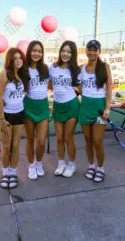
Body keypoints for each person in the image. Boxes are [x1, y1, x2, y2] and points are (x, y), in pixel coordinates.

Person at [78, 40, 112, 183]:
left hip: (99, 109)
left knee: (97, 140)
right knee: (88, 140)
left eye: (94, 49)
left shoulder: (105, 67)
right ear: (85, 51)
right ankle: (91, 166)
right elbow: (79, 87)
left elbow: (109, 88)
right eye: (89, 49)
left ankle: (101, 168)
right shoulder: (81, 68)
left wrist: (107, 108)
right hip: (85, 107)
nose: (91, 52)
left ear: (99, 51)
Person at [0, 48, 30, 189]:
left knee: (15, 146)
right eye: (15, 58)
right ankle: (5, 173)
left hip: (19, 114)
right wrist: (2, 119)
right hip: (6, 116)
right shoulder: (4, 75)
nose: (18, 60)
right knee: (6, 147)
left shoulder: (22, 74)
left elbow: (22, 93)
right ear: (10, 60)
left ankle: (13, 173)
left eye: (20, 58)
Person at [49, 40, 81, 177]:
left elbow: (81, 87)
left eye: (69, 51)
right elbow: (50, 84)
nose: (65, 54)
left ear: (73, 54)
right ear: (60, 51)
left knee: (68, 137)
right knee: (59, 138)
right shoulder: (53, 67)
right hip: (57, 105)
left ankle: (72, 164)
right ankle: (61, 163)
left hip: (71, 106)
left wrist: (75, 93)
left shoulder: (76, 70)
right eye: (64, 50)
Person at [24, 41, 50, 180]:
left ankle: (38, 163)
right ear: (29, 52)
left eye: (39, 51)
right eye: (34, 50)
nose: (37, 53)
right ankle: (31, 165)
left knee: (41, 141)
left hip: (43, 107)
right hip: (28, 106)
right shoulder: (23, 68)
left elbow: (54, 84)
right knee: (29, 139)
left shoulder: (46, 69)